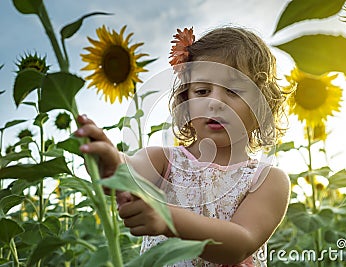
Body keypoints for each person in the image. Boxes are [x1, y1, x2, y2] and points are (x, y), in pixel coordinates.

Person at [75, 26, 290, 267]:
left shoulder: (266, 179)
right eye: (202, 91)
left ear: (262, 103)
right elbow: (129, 171)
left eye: (233, 90)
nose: (214, 102)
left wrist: (165, 217)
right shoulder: (163, 161)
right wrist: (112, 163)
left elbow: (241, 242)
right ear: (185, 103)